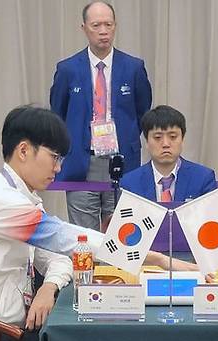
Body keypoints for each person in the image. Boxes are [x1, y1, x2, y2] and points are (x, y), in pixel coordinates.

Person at [0, 106, 194, 341]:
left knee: (85, 339)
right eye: (54, 157)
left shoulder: (19, 197)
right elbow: (68, 239)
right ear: (24, 151)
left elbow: (57, 256)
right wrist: (156, 259)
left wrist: (49, 286)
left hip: (1, 326)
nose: (58, 168)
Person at [50, 1, 152, 231]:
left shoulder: (134, 67)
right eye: (96, 25)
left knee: (122, 235)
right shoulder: (67, 69)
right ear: (84, 27)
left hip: (121, 160)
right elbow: (58, 114)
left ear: (115, 26)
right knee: (84, 237)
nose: (103, 31)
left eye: (108, 24)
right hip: (81, 162)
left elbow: (142, 111)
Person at [120, 105, 217, 202]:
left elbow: (214, 216)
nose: (166, 144)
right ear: (147, 142)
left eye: (173, 137)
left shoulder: (203, 177)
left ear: (182, 139)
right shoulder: (130, 183)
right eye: (158, 137)